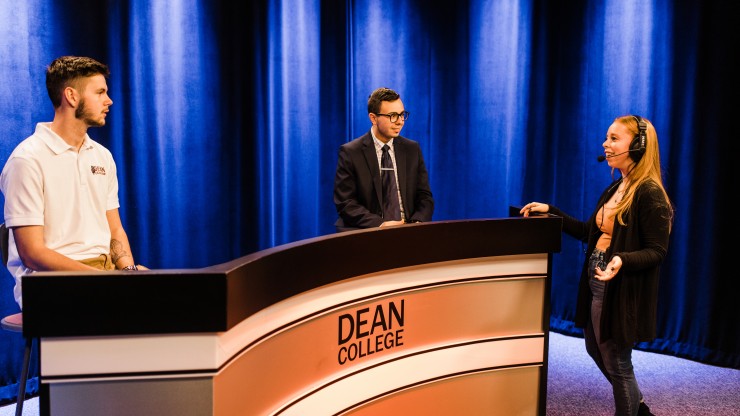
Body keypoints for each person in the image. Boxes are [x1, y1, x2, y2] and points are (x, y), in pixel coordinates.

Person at [520, 115, 673, 416]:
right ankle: (638, 407)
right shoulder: (615, 188)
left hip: (618, 284)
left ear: (639, 146)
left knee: (617, 360)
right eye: (607, 137)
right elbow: (587, 231)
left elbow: (657, 251)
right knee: (595, 348)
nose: (606, 143)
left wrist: (622, 259)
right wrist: (551, 211)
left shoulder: (649, 193)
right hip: (597, 280)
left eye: (615, 138)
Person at [0, 56, 145, 309]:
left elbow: (115, 230)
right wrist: (105, 281)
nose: (108, 101)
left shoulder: (102, 156)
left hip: (102, 273)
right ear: (72, 96)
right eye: (100, 92)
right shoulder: (27, 159)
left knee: (167, 300)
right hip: (50, 283)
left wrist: (129, 272)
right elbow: (32, 253)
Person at [333, 87, 434, 231]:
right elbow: (345, 202)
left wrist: (417, 223)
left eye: (402, 114)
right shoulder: (351, 152)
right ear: (373, 118)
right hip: (367, 232)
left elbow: (424, 196)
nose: (400, 121)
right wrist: (380, 225)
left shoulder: (412, 149)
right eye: (393, 115)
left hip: (408, 232)